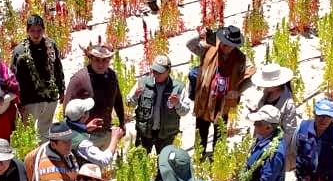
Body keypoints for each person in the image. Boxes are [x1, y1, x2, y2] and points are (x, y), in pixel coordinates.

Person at [191, 25, 254, 158]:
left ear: (235, 45)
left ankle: (217, 159)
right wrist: (200, 36)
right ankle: (199, 156)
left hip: (223, 103)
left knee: (220, 133)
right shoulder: (210, 48)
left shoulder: (241, 59)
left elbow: (252, 75)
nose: (224, 46)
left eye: (228, 45)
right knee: (200, 132)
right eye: (224, 43)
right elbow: (190, 45)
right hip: (204, 100)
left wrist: (239, 91)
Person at [11, 14, 65, 140]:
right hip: (29, 100)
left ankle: (42, 156)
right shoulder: (20, 51)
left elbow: (58, 68)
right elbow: (14, 77)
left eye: (39, 30)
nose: (36, 34)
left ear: (44, 30)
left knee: (45, 131)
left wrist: (62, 89)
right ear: (27, 31)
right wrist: (18, 100)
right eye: (32, 31)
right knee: (27, 133)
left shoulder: (51, 46)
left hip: (50, 97)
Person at [63, 43, 126, 150]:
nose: (101, 64)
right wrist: (80, 130)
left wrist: (122, 122)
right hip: (86, 136)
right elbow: (67, 111)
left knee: (103, 164)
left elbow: (117, 100)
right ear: (90, 59)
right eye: (97, 60)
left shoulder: (111, 76)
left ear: (110, 59)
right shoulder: (79, 79)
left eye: (105, 60)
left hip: (106, 132)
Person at [127, 55, 192, 154]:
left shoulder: (178, 88)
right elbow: (129, 103)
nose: (156, 74)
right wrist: (135, 96)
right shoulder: (142, 83)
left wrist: (177, 104)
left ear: (168, 71)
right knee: (140, 161)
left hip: (166, 135)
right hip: (145, 132)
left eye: (159, 72)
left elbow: (185, 111)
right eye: (154, 71)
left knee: (164, 164)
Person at [251, 63, 299, 169]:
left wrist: (276, 148)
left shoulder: (288, 103)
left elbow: (289, 130)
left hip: (274, 146)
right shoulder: (267, 94)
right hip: (261, 138)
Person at [63, 99, 125, 167]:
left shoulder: (64, 123)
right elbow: (104, 160)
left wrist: (85, 128)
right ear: (83, 116)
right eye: (88, 111)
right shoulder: (81, 143)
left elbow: (73, 130)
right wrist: (115, 138)